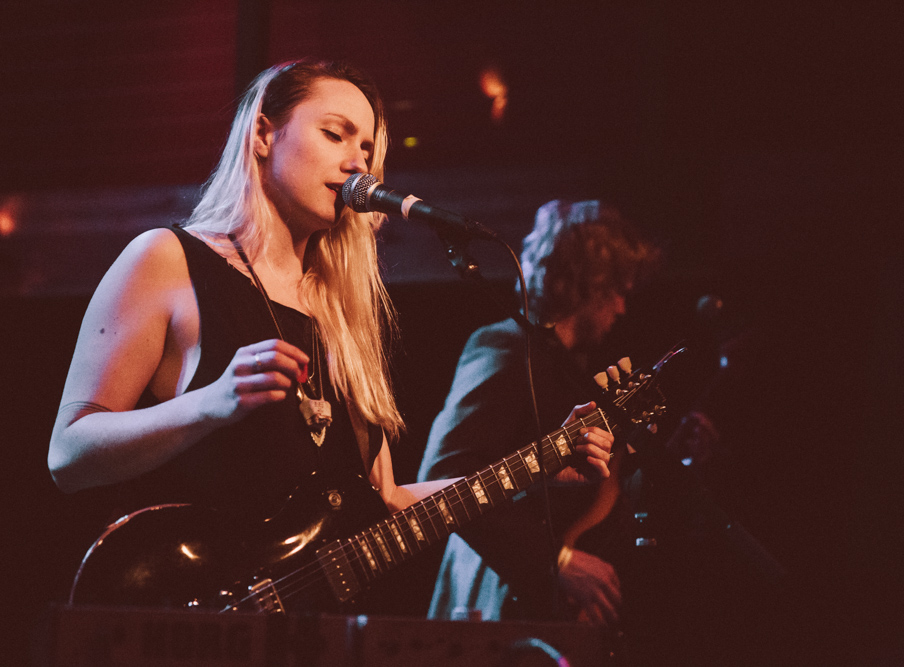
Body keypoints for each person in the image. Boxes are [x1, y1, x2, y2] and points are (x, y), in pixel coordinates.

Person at [46, 60, 615, 612]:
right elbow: (69, 453)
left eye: (367, 148)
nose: (357, 164)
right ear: (264, 134)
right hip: (189, 609)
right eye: (335, 134)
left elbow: (388, 503)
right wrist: (213, 403)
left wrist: (536, 467)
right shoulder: (168, 259)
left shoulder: (342, 313)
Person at [418, 199, 658, 627]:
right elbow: (443, 473)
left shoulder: (565, 367)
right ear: (590, 283)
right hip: (492, 598)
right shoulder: (508, 348)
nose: (622, 308)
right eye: (617, 290)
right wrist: (557, 560)